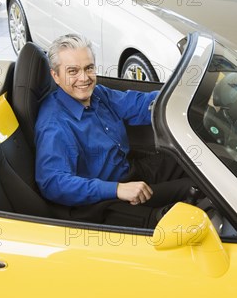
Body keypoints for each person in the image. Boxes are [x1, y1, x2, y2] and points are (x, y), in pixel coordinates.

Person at [35, 34, 194, 228]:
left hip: (127, 170)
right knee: (193, 190)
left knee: (196, 161)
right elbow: (53, 183)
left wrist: (182, 96)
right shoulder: (54, 125)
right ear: (56, 76)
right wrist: (117, 189)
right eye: (73, 71)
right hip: (103, 201)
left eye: (89, 68)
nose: (84, 78)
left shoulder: (98, 95)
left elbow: (138, 104)